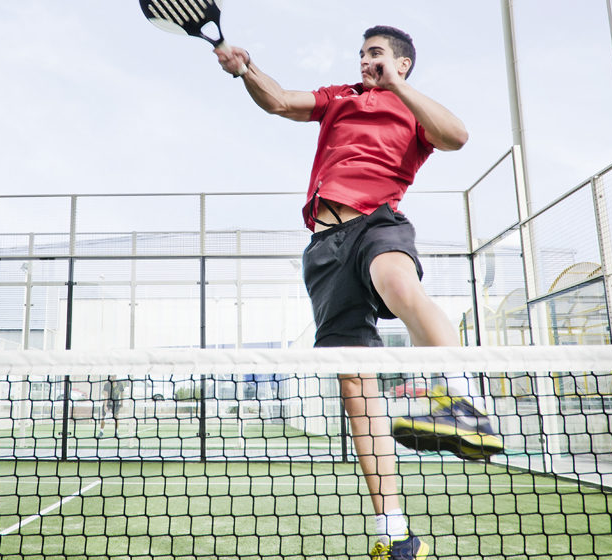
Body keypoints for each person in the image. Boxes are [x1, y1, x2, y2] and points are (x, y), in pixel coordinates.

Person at [214, 26, 504, 560]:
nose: (366, 60)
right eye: (364, 53)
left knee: (397, 283)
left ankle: (465, 401)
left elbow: (457, 136)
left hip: (378, 222)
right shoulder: (341, 98)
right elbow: (279, 100)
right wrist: (244, 68)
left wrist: (396, 85)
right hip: (325, 247)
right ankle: (394, 529)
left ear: (402, 63)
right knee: (354, 381)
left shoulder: (413, 108)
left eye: (376, 53)